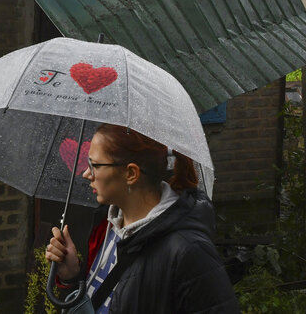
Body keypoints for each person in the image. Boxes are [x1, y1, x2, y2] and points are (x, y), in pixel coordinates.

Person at [45, 124, 238, 313]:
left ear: (131, 173)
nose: (86, 174)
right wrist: (72, 275)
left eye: (94, 165)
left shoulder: (189, 251)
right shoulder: (108, 227)